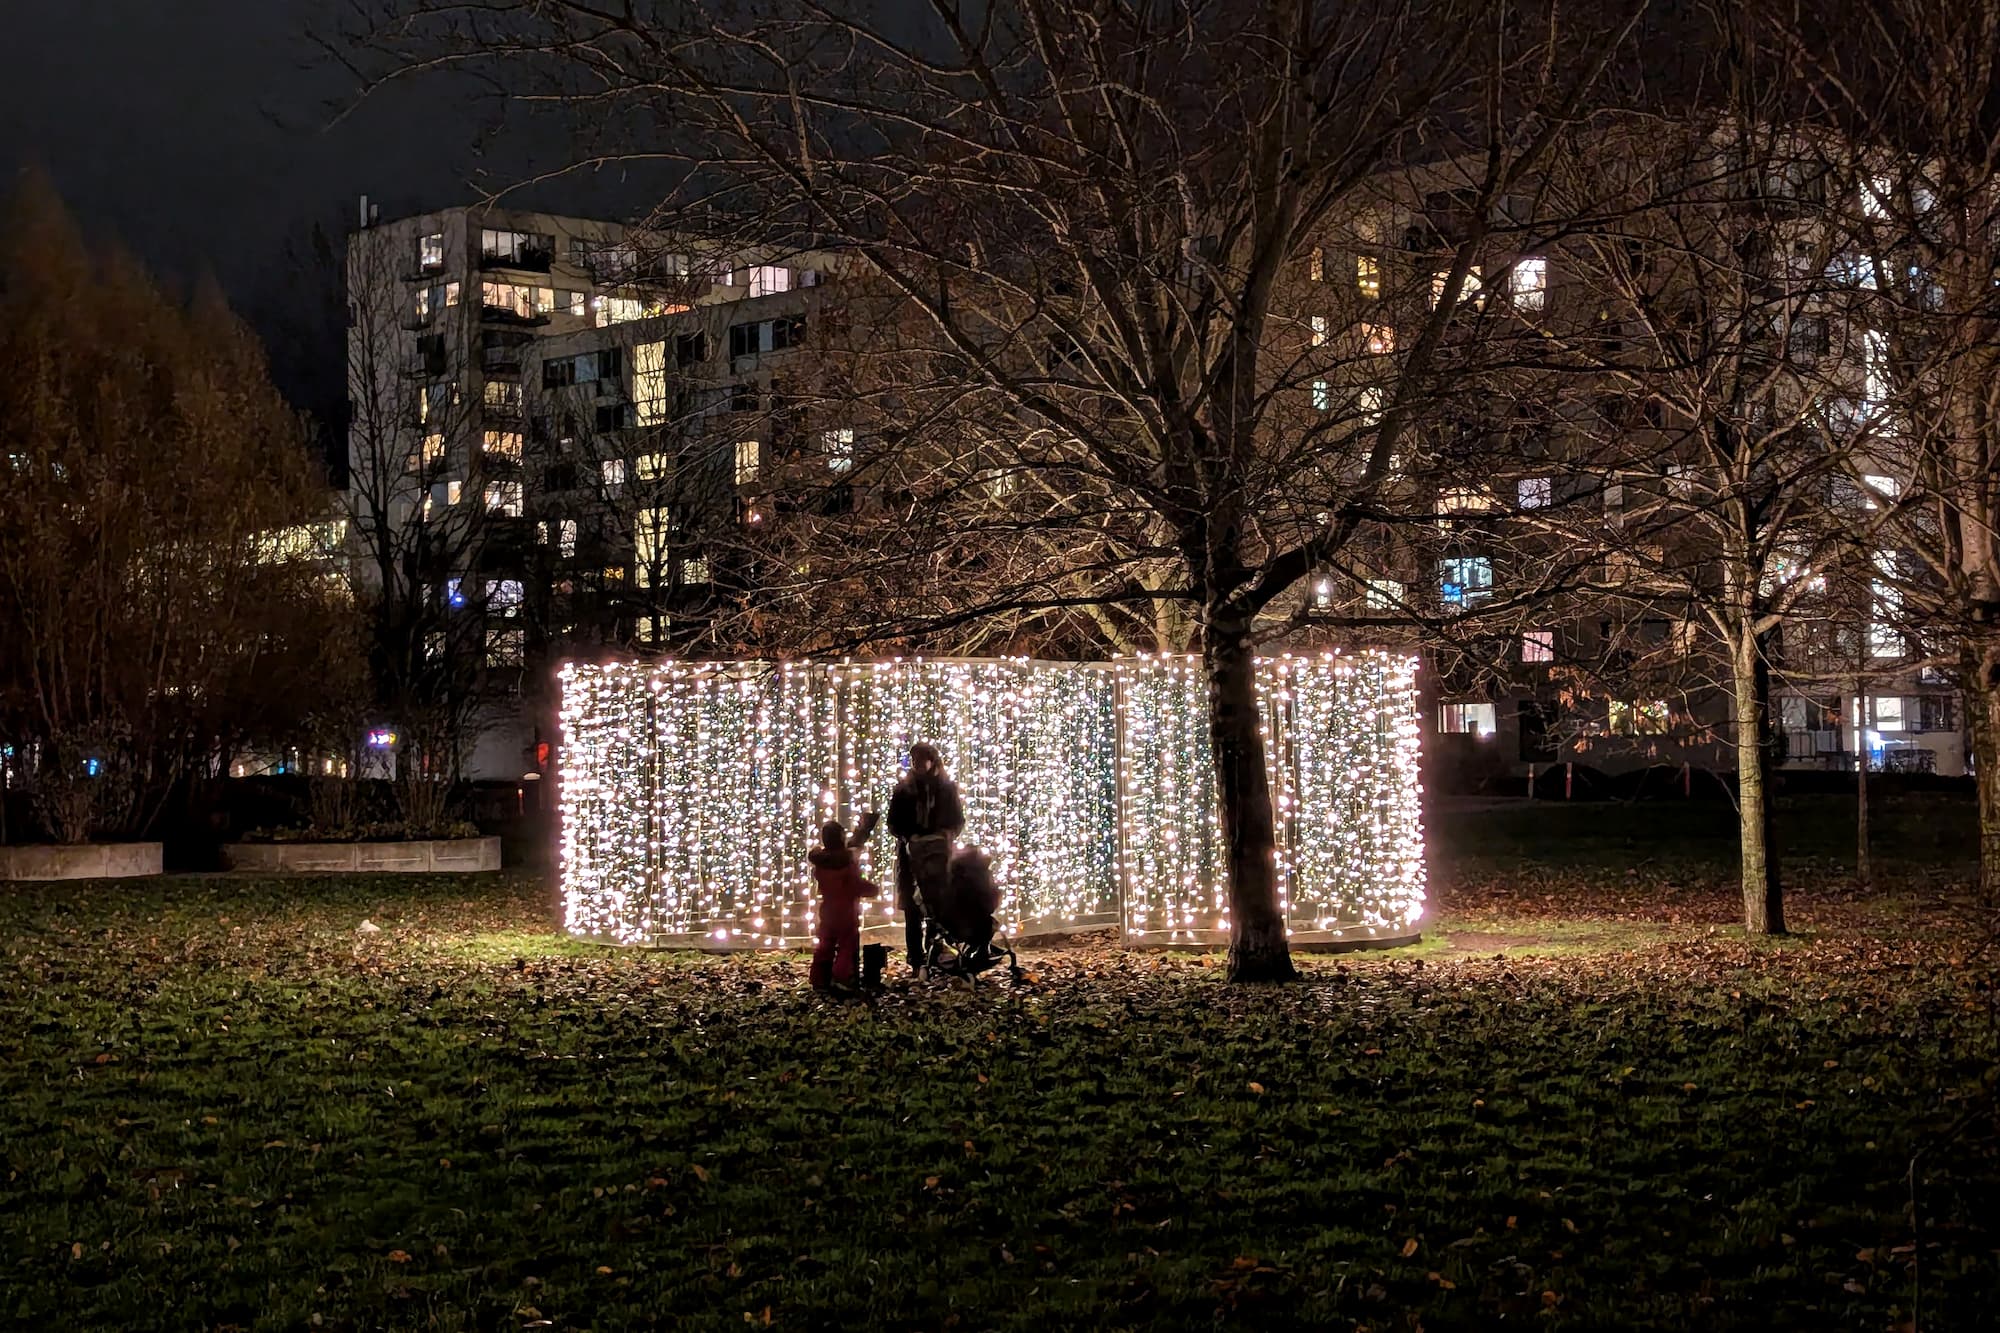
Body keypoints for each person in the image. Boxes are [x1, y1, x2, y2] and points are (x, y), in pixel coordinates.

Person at [886, 742, 965, 973]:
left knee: (936, 906)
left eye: (921, 760)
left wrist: (944, 837)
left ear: (932, 761)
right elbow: (894, 822)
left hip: (938, 857)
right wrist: (908, 837)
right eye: (914, 761)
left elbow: (957, 820)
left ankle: (935, 952)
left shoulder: (945, 789)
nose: (917, 765)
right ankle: (915, 957)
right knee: (913, 907)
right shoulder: (904, 790)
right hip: (911, 856)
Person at [806, 812, 879, 994]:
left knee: (825, 944)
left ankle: (819, 979)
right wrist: (872, 890)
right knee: (847, 944)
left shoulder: (821, 862)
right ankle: (842, 976)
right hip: (846, 911)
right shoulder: (847, 863)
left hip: (828, 910)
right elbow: (856, 885)